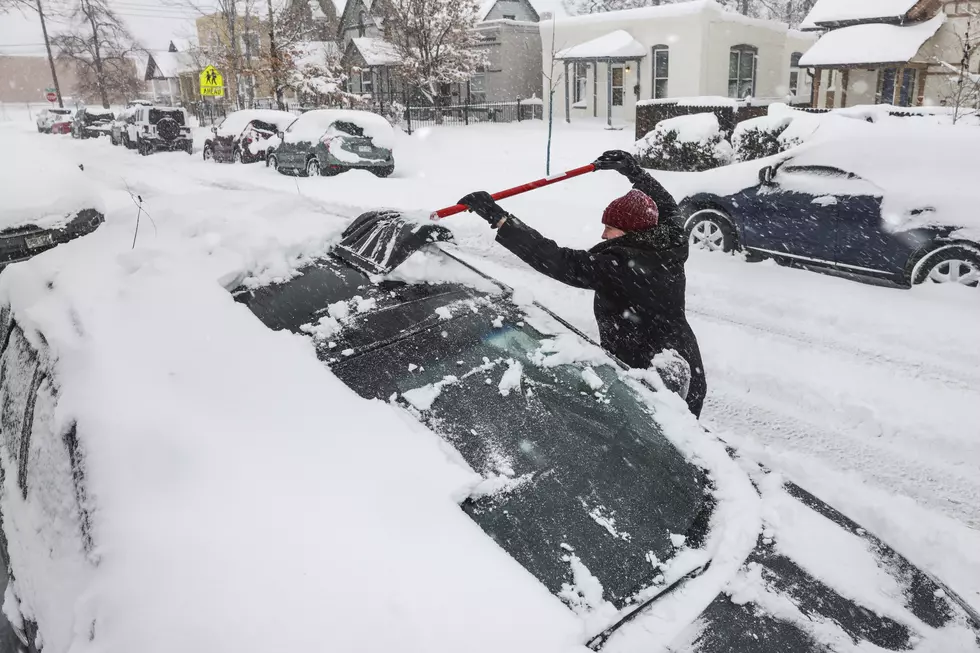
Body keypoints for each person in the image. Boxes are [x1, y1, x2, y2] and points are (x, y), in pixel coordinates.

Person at [458, 150, 706, 418]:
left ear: (631, 232)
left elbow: (555, 259)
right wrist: (633, 171)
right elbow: (666, 205)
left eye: (610, 228)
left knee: (660, 446)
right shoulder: (670, 241)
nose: (603, 233)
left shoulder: (619, 266)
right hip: (685, 364)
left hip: (651, 377)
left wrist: (499, 219)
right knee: (686, 438)